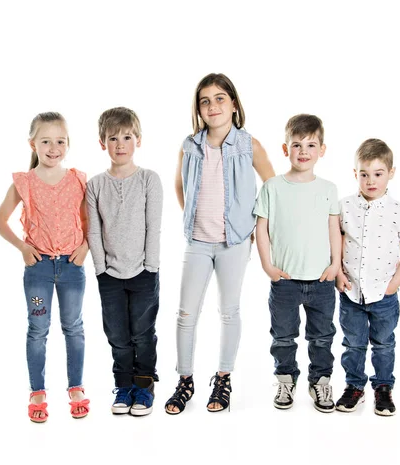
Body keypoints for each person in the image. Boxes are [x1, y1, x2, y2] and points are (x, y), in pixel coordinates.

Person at [165, 73, 275, 414]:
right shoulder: (190, 145)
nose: (212, 106)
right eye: (205, 100)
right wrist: (191, 218)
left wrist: (254, 229)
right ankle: (185, 379)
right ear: (199, 109)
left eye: (219, 98)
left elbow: (272, 189)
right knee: (186, 313)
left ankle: (223, 377)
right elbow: (180, 185)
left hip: (234, 242)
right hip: (198, 241)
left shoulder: (248, 145)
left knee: (229, 310)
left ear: (234, 104)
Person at [0, 112, 90, 423]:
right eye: (46, 141)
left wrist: (85, 247)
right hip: (39, 269)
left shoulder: (77, 180)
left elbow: (91, 222)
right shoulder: (25, 183)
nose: (53, 147)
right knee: (38, 329)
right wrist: (23, 247)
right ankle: (37, 392)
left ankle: (76, 388)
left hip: (72, 268)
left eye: (60, 141)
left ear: (68, 144)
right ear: (32, 144)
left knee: (73, 327)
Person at [254, 114, 341, 412]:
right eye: (296, 144)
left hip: (321, 280)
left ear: (322, 150)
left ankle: (320, 380)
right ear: (285, 148)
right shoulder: (272, 188)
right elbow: (262, 229)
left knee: (322, 336)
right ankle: (285, 378)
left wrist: (335, 265)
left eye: (311, 144)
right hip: (285, 280)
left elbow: (334, 229)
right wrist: (268, 266)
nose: (303, 151)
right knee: (283, 336)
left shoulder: (328, 189)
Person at [87, 107, 163, 416]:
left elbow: (152, 226)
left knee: (142, 333)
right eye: (113, 138)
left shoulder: (148, 179)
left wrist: (151, 266)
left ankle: (144, 386)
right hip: (110, 276)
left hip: (144, 271)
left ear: (139, 140)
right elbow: (93, 228)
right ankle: (124, 385)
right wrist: (101, 269)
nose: (120, 144)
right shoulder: (95, 185)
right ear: (102, 142)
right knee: (117, 334)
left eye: (127, 137)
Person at [335, 138, 400, 416]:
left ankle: (383, 388)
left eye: (378, 174)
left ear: (391, 173)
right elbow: (335, 243)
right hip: (351, 293)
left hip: (384, 295)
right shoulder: (343, 207)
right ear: (355, 174)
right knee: (353, 344)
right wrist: (338, 275)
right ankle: (354, 386)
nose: (371, 180)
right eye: (364, 174)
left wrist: (394, 284)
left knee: (384, 344)